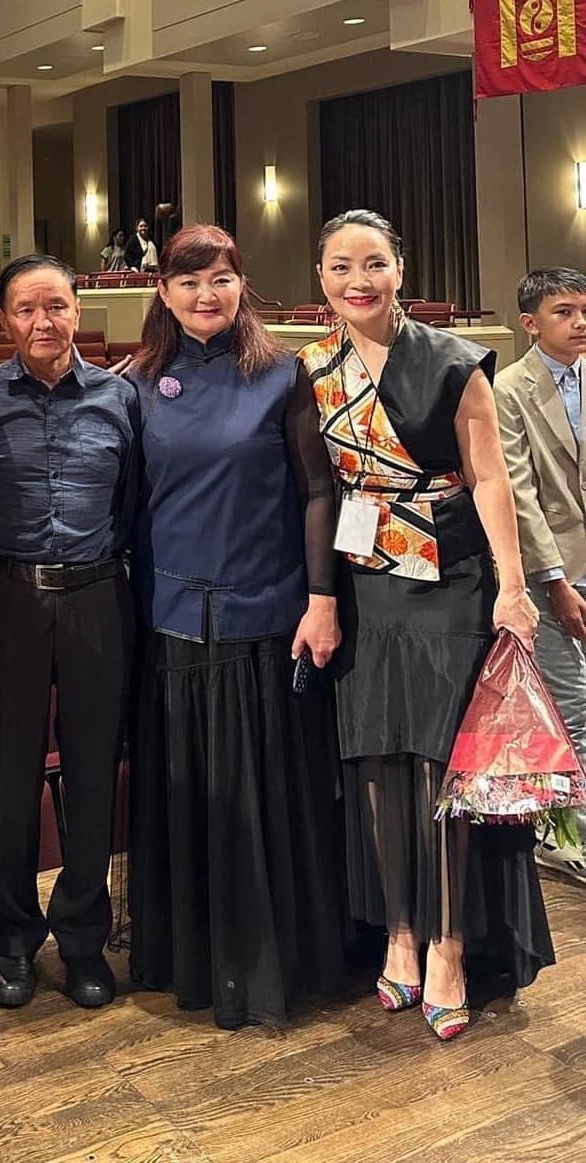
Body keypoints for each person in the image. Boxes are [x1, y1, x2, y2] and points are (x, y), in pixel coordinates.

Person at [302, 209, 554, 1040]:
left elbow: (490, 478)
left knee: (444, 764)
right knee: (378, 758)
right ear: (321, 278)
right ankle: (399, 931)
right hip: (367, 580)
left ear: (400, 270)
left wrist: (512, 586)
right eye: (342, 266)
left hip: (451, 579)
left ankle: (448, 944)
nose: (359, 280)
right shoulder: (313, 368)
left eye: (374, 263)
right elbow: (319, 489)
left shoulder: (452, 360)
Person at [124, 224, 345, 1029]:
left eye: (219, 278)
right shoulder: (136, 382)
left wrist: (321, 596)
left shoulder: (283, 373)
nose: (205, 295)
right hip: (175, 623)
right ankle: (195, 960)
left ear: (240, 284)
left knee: (269, 798)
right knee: (197, 802)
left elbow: (317, 491)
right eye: (187, 282)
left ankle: (276, 963)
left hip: (269, 618)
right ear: (163, 291)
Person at [0, 254, 139, 1010]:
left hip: (99, 598)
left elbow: (133, 502)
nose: (43, 322)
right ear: (5, 319)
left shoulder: (120, 398)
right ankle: (12, 938)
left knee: (94, 773)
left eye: (56, 306)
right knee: (9, 776)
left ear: (77, 311)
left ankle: (85, 939)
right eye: (26, 309)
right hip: (8, 599)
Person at [493, 266, 586, 882]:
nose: (579, 322)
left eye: (584, 310)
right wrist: (554, 581)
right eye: (564, 312)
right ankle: (567, 835)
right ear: (529, 323)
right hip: (555, 570)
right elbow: (519, 494)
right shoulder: (509, 389)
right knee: (573, 706)